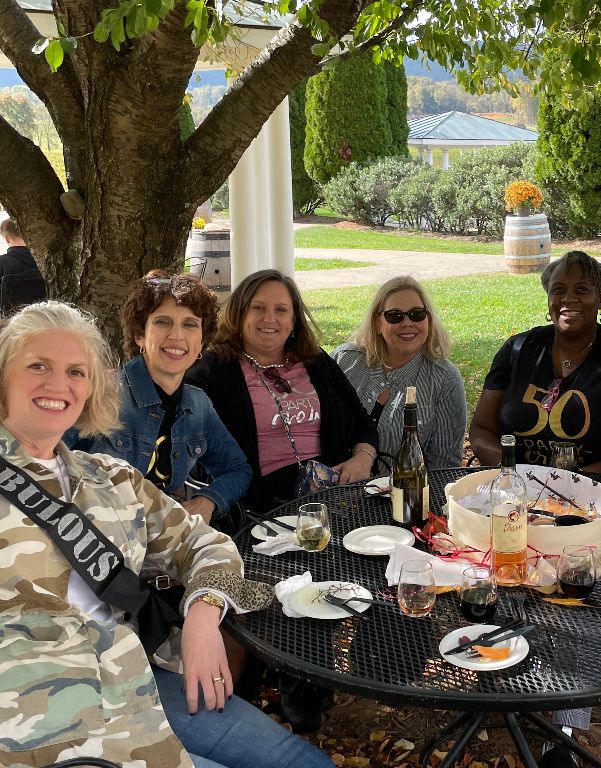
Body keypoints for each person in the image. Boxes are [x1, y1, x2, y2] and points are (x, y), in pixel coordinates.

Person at [0, 301, 334, 768]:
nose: (59, 384)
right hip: (43, 720)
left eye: (76, 371)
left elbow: (207, 544)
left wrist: (203, 610)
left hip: (138, 677)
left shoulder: (111, 479)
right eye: (38, 366)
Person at [187, 269, 379, 516]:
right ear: (239, 312)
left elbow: (363, 422)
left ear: (294, 319)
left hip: (334, 499)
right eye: (258, 308)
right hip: (257, 510)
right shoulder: (215, 369)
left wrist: (363, 458)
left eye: (281, 309)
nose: (270, 318)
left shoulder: (316, 361)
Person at [69, 270, 251, 527]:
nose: (177, 336)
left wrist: (208, 500)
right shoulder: (99, 393)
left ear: (202, 341)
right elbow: (39, 467)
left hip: (160, 543)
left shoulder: (198, 406)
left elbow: (238, 470)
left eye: (190, 324)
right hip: (93, 544)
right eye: (163, 322)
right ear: (139, 335)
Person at [470, 250, 601, 477]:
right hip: (518, 490)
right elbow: (481, 429)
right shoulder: (517, 349)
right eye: (558, 290)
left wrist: (572, 481)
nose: (568, 298)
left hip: (594, 496)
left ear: (600, 297)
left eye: (582, 290)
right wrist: (517, 474)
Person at [332, 275, 466, 468]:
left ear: (428, 319)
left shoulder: (444, 379)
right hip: (333, 490)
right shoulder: (345, 361)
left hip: (404, 495)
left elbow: (445, 466)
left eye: (416, 314)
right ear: (378, 323)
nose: (407, 323)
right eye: (394, 315)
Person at [0, 216, 46, 313]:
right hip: (48, 320)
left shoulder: (2, 263)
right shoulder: (49, 261)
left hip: (10, 324)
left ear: (7, 239)